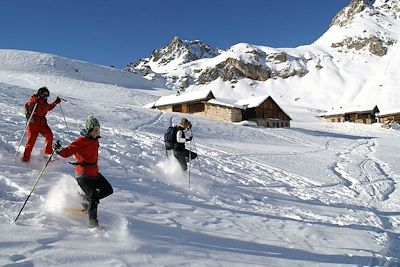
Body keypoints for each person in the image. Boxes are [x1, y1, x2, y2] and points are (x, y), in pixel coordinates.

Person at [53, 115, 113, 228]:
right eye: (95, 130)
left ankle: (85, 200)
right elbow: (67, 152)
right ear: (90, 129)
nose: (97, 132)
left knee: (108, 190)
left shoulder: (95, 140)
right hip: (83, 175)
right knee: (94, 197)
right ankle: (93, 225)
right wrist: (59, 150)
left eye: (98, 129)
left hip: (94, 173)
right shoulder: (81, 141)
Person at [22, 87, 61, 162]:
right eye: (44, 94)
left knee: (49, 135)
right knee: (31, 141)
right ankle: (25, 159)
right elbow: (27, 106)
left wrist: (56, 102)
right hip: (33, 122)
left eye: (47, 95)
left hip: (42, 123)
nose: (46, 96)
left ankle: (48, 153)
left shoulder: (44, 102)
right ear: (40, 94)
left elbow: (48, 108)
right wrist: (34, 100)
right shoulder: (35, 100)